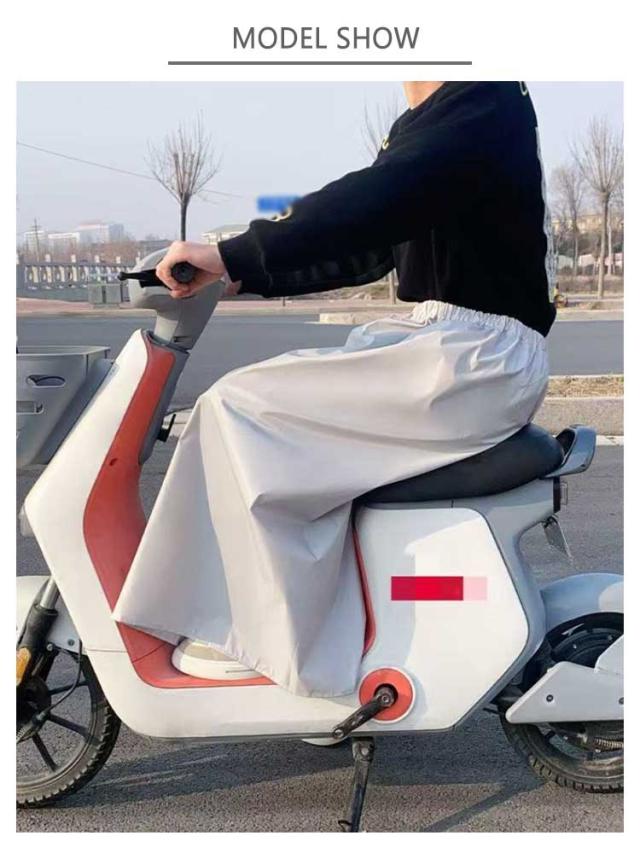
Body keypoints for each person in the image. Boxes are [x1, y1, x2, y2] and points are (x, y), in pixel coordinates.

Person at [113, 81, 555, 697]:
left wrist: (233, 252)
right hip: (455, 349)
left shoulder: (481, 96)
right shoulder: (436, 119)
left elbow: (373, 201)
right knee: (257, 403)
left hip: (473, 358)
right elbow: (368, 247)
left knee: (238, 407)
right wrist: (239, 274)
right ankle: (285, 620)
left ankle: (267, 636)